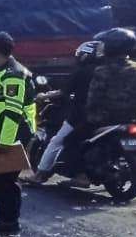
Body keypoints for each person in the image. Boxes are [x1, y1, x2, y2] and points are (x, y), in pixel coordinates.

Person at [0, 31, 36, 233]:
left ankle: (9, 221)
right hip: (0, 133)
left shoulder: (14, 74)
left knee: (7, 180)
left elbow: (13, 111)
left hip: (13, 134)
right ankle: (1, 213)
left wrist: (6, 141)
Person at [34, 40, 101, 183]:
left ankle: (40, 174)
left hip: (82, 115)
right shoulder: (106, 71)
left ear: (84, 55)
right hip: (106, 116)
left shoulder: (82, 72)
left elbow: (63, 93)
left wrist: (43, 96)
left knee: (58, 141)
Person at [86, 27, 136, 129]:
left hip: (108, 119)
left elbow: (94, 98)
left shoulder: (102, 70)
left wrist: (92, 117)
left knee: (72, 140)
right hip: (134, 118)